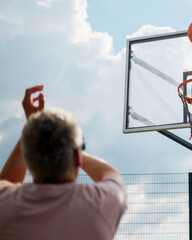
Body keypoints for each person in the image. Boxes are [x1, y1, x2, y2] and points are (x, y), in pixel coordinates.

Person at [0, 85, 127, 240]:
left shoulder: (5, 206)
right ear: (76, 157)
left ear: (28, 156)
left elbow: (5, 182)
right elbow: (112, 175)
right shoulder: (99, 204)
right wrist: (74, 148)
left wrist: (34, 131)